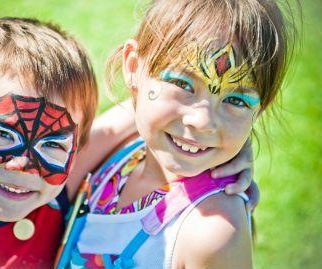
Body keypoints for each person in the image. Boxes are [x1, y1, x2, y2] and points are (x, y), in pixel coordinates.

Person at [0, 14, 257, 269]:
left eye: (52, 143)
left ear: (77, 146)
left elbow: (155, 116)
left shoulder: (55, 183)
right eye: (1, 134)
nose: (24, 164)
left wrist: (226, 138)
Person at [65, 0, 297, 268]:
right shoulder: (119, 149)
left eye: (236, 101)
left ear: (259, 111)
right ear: (133, 68)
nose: (202, 121)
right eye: (182, 83)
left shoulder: (212, 233)